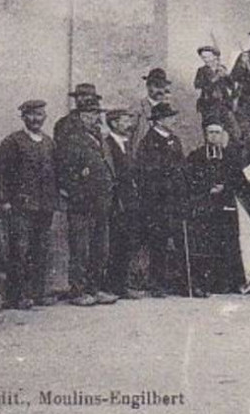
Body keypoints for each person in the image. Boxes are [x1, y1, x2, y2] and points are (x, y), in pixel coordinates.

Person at [0, 99, 59, 310]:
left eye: (39, 115)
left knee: (41, 249)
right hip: (21, 205)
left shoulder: (49, 142)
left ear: (44, 118)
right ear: (23, 117)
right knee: (19, 250)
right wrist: (3, 199)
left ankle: (38, 293)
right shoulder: (12, 142)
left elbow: (54, 174)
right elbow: (2, 172)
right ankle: (17, 295)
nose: (35, 119)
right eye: (31, 115)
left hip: (44, 205)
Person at [55, 93, 119, 306]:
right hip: (82, 202)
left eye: (95, 114)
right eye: (88, 114)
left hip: (102, 200)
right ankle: (78, 291)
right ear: (80, 115)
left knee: (100, 247)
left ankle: (95, 287)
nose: (93, 117)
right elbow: (65, 170)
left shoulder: (100, 136)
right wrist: (76, 192)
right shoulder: (72, 138)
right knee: (80, 248)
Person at [134, 100, 187, 295]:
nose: (173, 120)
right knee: (158, 242)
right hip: (158, 201)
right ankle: (156, 283)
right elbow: (147, 172)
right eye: (169, 117)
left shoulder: (175, 139)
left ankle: (177, 281)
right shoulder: (149, 142)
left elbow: (181, 166)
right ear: (159, 120)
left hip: (175, 199)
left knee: (177, 240)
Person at [185, 123, 239, 296]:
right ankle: (203, 283)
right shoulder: (196, 156)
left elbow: (238, 178)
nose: (214, 136)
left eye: (217, 133)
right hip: (205, 205)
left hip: (225, 205)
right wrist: (207, 188)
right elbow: (189, 178)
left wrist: (225, 187)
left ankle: (224, 283)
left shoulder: (230, 156)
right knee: (204, 244)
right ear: (205, 135)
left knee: (226, 243)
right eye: (211, 133)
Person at [104, 107, 140, 299]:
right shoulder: (107, 144)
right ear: (114, 123)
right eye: (125, 120)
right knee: (115, 242)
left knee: (126, 241)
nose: (129, 124)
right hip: (116, 201)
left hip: (129, 200)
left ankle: (122, 284)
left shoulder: (127, 144)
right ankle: (112, 285)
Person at [193, 45, 237, 138]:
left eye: (208, 57)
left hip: (224, 105)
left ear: (215, 57)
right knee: (211, 131)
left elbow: (232, 86)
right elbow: (198, 86)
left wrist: (226, 76)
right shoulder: (201, 71)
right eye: (203, 57)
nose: (206, 59)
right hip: (209, 106)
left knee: (230, 131)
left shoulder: (221, 68)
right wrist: (216, 77)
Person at [133, 70, 173, 147]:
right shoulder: (137, 108)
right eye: (156, 86)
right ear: (148, 86)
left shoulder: (169, 111)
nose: (160, 90)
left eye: (162, 86)